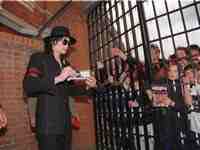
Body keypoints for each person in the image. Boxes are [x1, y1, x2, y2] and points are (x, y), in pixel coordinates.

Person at [23, 26, 97, 150]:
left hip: (65, 125)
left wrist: (88, 86)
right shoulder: (39, 58)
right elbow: (29, 85)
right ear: (53, 41)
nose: (67, 45)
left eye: (69, 42)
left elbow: (70, 90)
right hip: (48, 126)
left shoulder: (66, 64)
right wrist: (59, 78)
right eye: (64, 41)